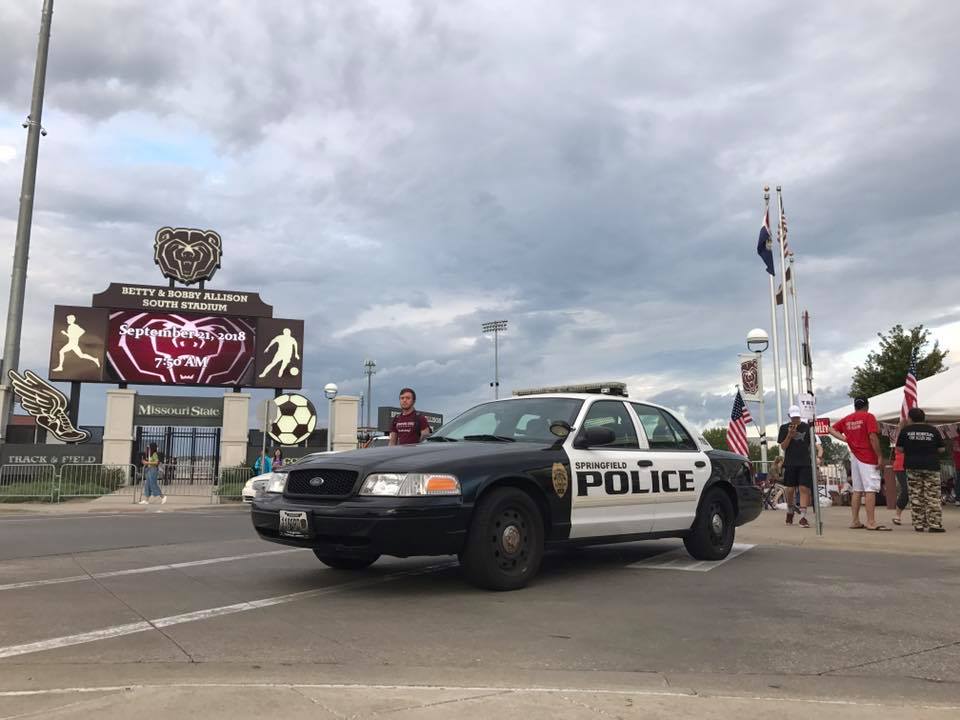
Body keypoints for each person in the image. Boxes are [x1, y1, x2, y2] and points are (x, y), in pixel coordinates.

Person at [829, 397, 888, 530]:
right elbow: (872, 437)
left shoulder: (848, 418)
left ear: (855, 406)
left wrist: (845, 439)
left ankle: (855, 521)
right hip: (867, 456)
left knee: (857, 490)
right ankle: (871, 522)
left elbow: (831, 429)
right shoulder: (868, 417)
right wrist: (879, 456)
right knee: (870, 489)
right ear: (867, 405)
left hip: (854, 456)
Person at [896, 407, 946, 533]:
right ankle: (934, 524)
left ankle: (919, 524)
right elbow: (942, 449)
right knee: (933, 496)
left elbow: (899, 449)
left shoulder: (905, 431)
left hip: (912, 466)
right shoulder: (933, 430)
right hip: (931, 466)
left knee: (916, 495)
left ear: (910, 418)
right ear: (924, 418)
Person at [778, 405, 815, 527]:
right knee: (790, 489)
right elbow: (783, 447)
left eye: (797, 417)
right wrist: (789, 435)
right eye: (793, 417)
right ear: (789, 416)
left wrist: (817, 457)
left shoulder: (807, 427)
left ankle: (803, 517)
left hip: (804, 462)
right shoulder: (784, 428)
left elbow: (812, 444)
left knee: (804, 488)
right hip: (790, 462)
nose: (795, 419)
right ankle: (790, 510)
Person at [892, 421, 909, 525]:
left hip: (913, 465)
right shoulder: (900, 436)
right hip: (900, 466)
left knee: (916, 491)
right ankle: (897, 514)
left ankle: (920, 516)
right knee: (906, 490)